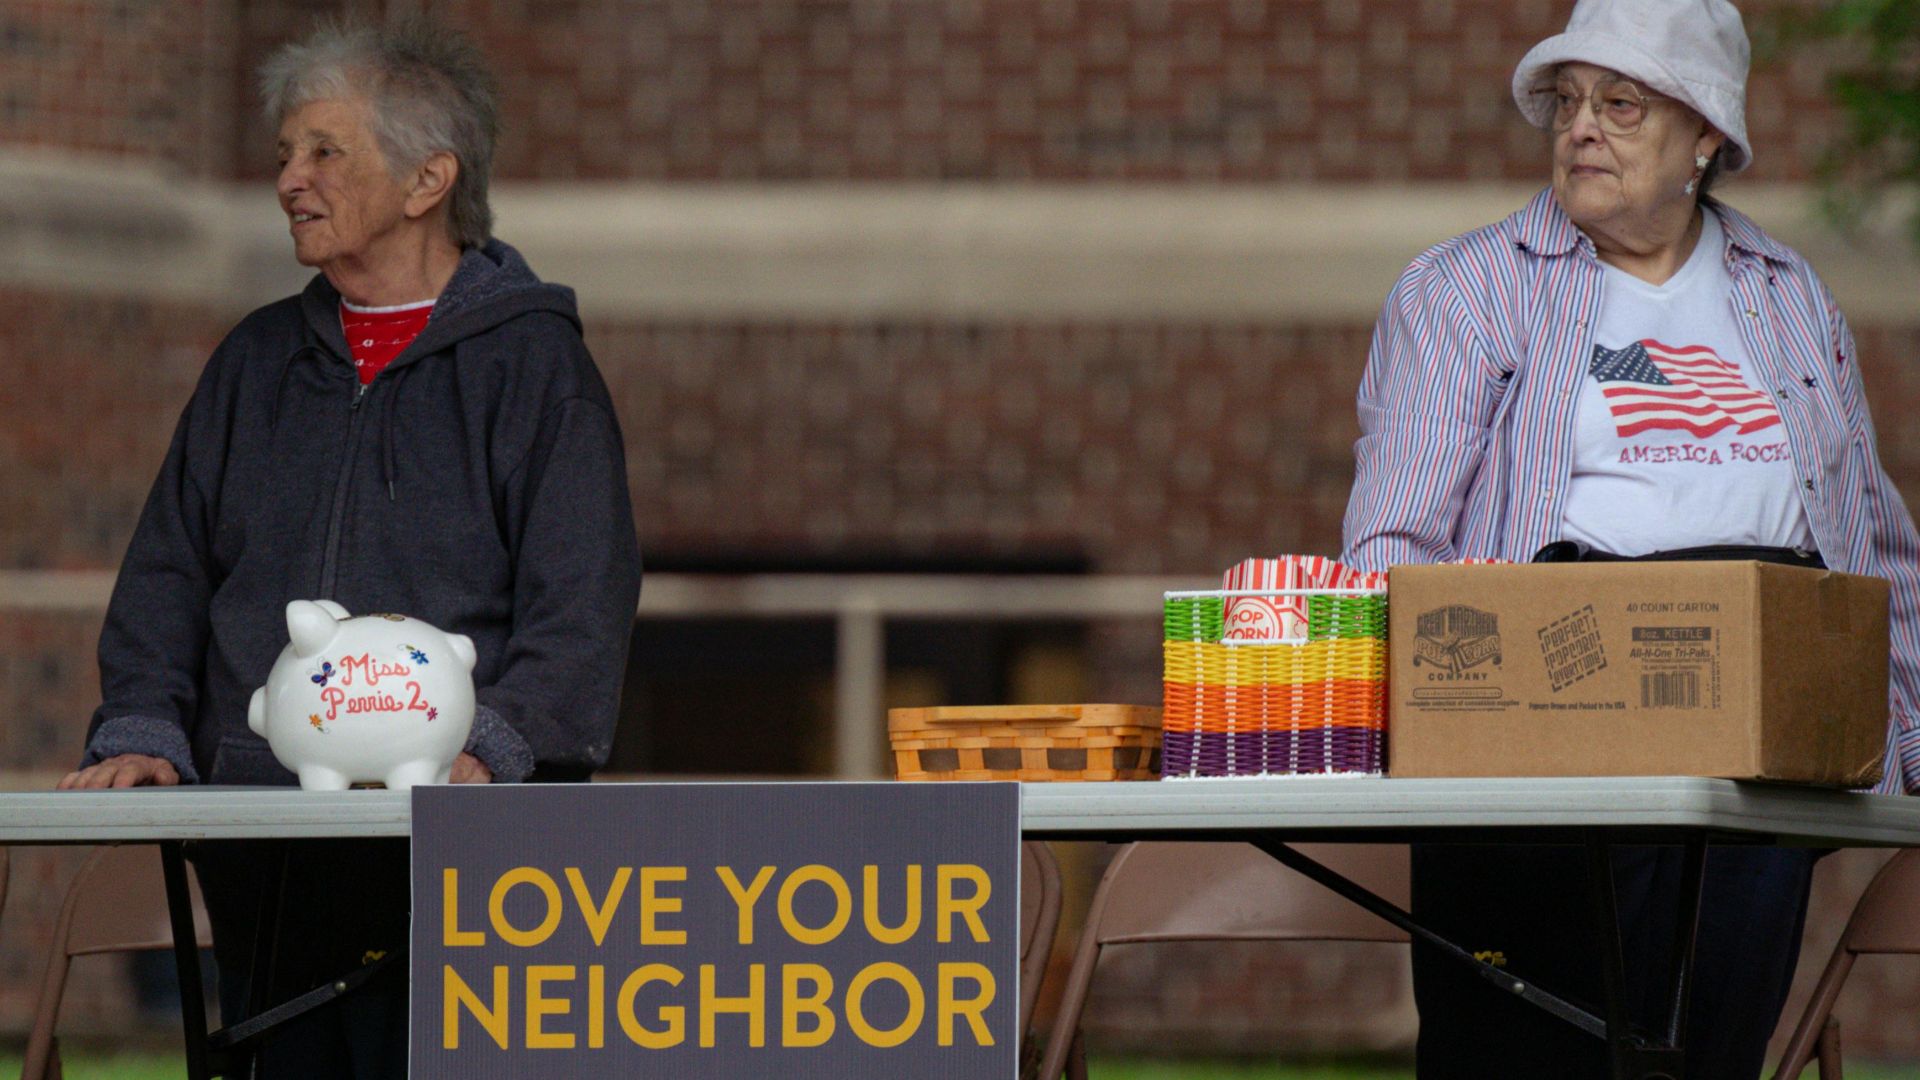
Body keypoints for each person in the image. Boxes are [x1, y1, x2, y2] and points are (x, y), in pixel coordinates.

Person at [1340, 0, 1920, 1076]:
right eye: (1567, 104)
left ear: (1706, 134)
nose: (1581, 130)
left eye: (1620, 104)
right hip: (1539, 753)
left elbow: (1871, 542)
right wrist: (1428, 735)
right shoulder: (1469, 289)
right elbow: (1395, 540)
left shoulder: (1790, 298)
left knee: (1709, 1057)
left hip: (1763, 748)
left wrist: (1901, 737)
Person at [57, 17, 642, 1078]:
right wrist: (141, 726)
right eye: (286, 153)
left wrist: (500, 750)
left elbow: (582, 600)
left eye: (325, 150)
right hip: (263, 838)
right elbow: (168, 571)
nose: (290, 178)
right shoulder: (254, 361)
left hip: (466, 849)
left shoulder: (535, 367)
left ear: (428, 179)